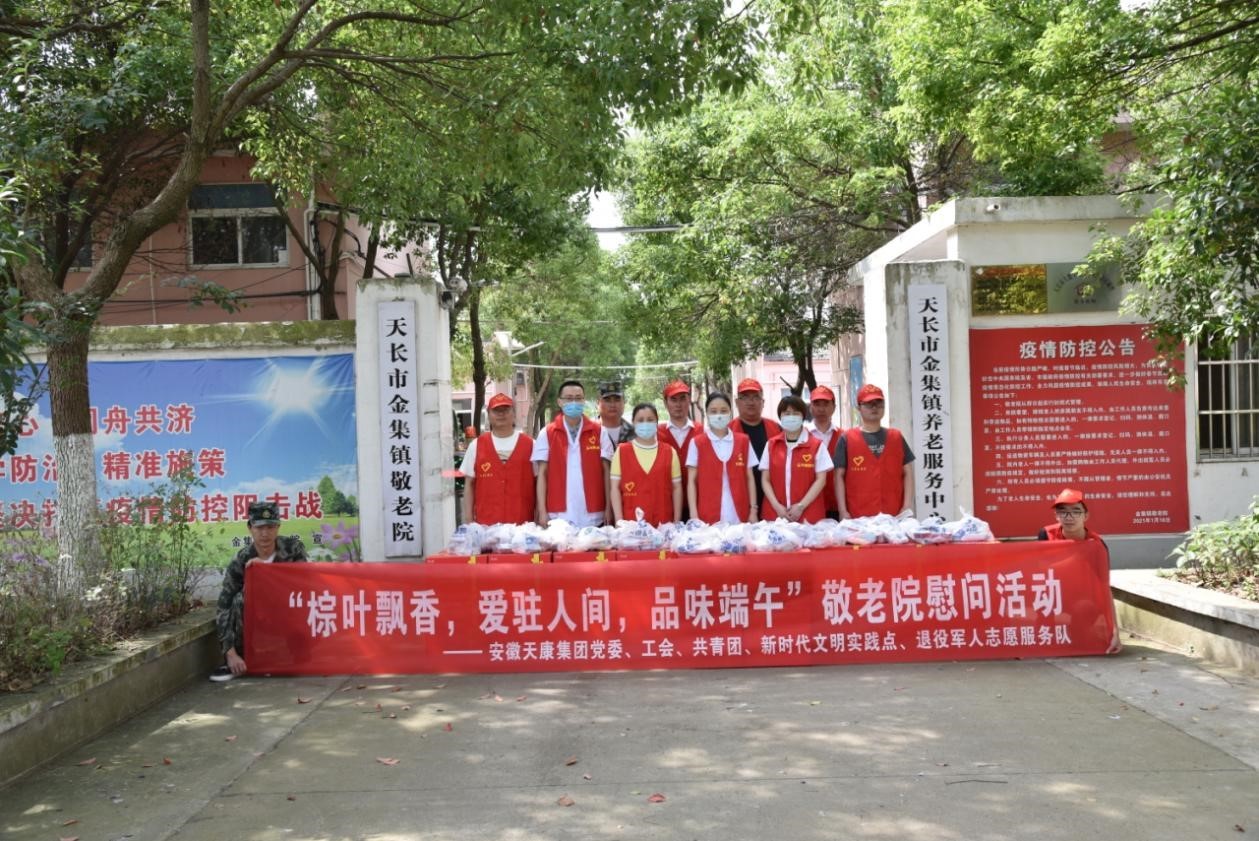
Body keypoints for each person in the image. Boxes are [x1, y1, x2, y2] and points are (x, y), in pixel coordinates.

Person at [212, 500, 307, 682]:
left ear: (278, 527)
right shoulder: (241, 559)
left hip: (287, 612)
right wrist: (229, 653)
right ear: (250, 528)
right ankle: (240, 661)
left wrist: (266, 571)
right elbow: (224, 606)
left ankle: (298, 654)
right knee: (240, 598)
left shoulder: (293, 549)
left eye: (270, 527)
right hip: (257, 617)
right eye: (259, 527)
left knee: (301, 601)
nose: (265, 533)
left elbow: (305, 585)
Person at [532, 380, 612, 526]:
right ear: (559, 402)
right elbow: (542, 474)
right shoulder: (547, 433)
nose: (574, 402)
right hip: (558, 516)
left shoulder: (600, 432)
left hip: (594, 514)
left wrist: (608, 508)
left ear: (584, 401)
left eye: (578, 398)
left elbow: (607, 472)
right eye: (569, 398)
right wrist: (542, 511)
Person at [835, 384, 915, 519]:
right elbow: (838, 476)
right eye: (869, 404)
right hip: (858, 516)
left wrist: (906, 506)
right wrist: (842, 510)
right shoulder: (847, 438)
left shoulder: (896, 437)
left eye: (879, 403)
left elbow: (908, 472)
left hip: (893, 515)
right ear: (859, 407)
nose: (874, 407)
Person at [458, 393, 535, 525]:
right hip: (486, 525)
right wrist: (469, 520)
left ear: (514, 414)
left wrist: (540, 513)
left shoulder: (531, 445)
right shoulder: (476, 445)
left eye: (506, 410)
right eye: (496, 410)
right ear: (489, 415)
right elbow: (469, 484)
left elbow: (540, 483)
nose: (501, 414)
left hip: (523, 525)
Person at [686, 392, 759, 524]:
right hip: (708, 515)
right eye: (713, 411)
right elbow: (691, 481)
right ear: (707, 414)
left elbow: (750, 478)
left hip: (740, 514)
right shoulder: (697, 443)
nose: (719, 415)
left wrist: (753, 511)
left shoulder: (743, 441)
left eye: (723, 411)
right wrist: (693, 514)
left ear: (730, 412)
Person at [760, 394, 832, 523]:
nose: (791, 417)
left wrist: (801, 506)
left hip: (808, 516)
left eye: (795, 413)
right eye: (787, 413)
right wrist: (777, 506)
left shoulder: (816, 445)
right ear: (780, 417)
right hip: (776, 515)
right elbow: (765, 479)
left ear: (803, 416)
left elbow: (821, 480)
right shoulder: (771, 445)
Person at [610, 403, 682, 525]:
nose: (645, 424)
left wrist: (676, 521)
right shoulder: (621, 451)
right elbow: (615, 488)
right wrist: (619, 521)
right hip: (631, 525)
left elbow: (677, 488)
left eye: (650, 420)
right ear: (633, 423)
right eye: (640, 420)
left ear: (656, 422)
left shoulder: (670, 452)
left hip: (664, 524)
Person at [729, 378, 781, 511]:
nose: (750, 402)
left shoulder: (776, 428)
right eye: (745, 397)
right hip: (739, 496)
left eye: (755, 397)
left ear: (763, 402)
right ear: (737, 402)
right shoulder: (728, 431)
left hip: (773, 497)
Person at [660, 380, 702, 519]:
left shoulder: (701, 431)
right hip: (668, 504)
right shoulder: (657, 434)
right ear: (665, 403)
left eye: (683, 398)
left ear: (689, 400)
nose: (678, 404)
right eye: (673, 399)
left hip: (697, 504)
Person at [807, 385, 843, 520]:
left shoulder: (844, 437)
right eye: (817, 404)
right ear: (810, 407)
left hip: (837, 506)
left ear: (834, 407)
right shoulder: (802, 436)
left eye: (826, 404)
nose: (821, 409)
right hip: (809, 505)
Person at [1038, 488, 1107, 546]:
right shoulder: (1046, 534)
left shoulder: (1096, 543)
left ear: (1086, 516)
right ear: (1056, 516)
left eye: (1075, 512)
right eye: (1063, 512)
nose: (1069, 518)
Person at [597, 381, 634, 454]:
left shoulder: (635, 433)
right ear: (598, 403)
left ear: (624, 402)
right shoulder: (588, 432)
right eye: (607, 400)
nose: (612, 405)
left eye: (617, 400)